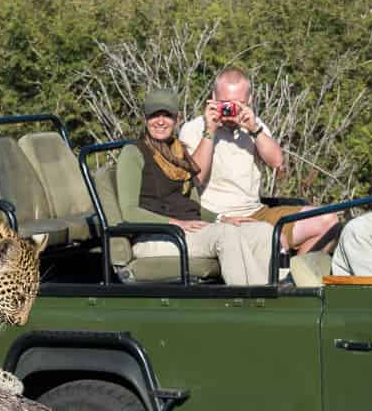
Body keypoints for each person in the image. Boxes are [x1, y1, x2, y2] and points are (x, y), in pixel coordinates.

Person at [117, 89, 275, 286]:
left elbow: (191, 204)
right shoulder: (133, 152)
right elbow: (129, 212)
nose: (160, 121)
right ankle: (248, 301)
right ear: (144, 119)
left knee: (262, 231)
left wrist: (220, 218)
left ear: (177, 118)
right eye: (154, 115)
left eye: (166, 115)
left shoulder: (178, 152)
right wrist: (174, 223)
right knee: (226, 234)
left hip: (187, 231)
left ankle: (268, 295)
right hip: (157, 236)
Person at [178, 67, 338, 255]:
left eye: (237, 103)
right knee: (274, 240)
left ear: (249, 101)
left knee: (328, 220)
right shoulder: (194, 128)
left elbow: (278, 162)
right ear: (212, 97)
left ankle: (296, 277)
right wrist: (210, 131)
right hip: (218, 216)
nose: (230, 111)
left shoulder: (255, 126)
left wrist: (254, 129)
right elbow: (196, 178)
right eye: (224, 104)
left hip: (256, 212)